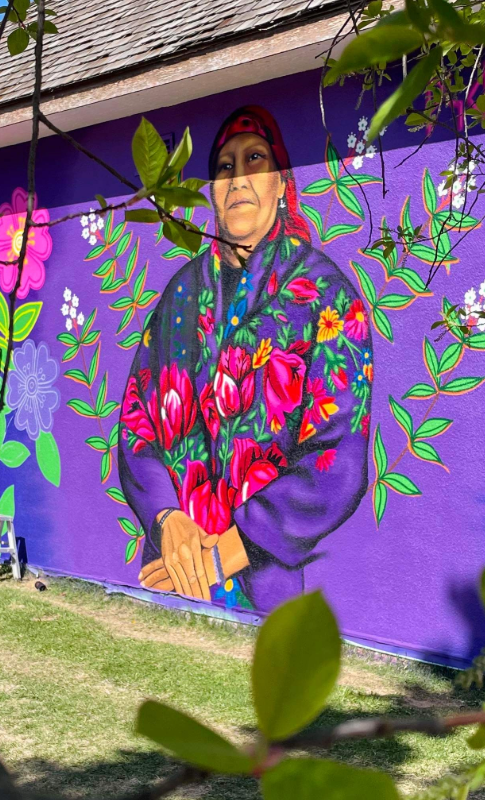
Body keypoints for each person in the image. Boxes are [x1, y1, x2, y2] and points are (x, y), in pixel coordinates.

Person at [118, 105, 373, 612]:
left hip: (263, 591)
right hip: (168, 578)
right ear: (211, 191)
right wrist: (166, 518)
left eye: (255, 159)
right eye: (225, 166)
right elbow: (135, 424)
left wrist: (222, 556)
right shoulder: (180, 297)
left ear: (282, 185)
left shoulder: (327, 297)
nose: (238, 179)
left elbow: (337, 461)